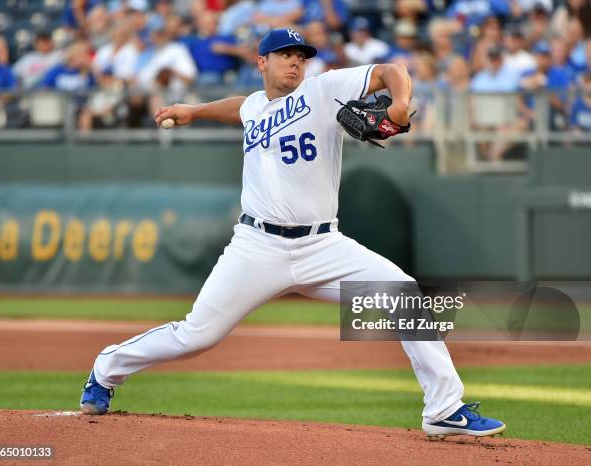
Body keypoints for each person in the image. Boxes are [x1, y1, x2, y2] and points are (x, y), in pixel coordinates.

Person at [80, 27, 506, 440]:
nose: (296, 63)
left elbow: (390, 69)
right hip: (257, 246)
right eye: (286, 55)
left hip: (322, 245)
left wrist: (399, 103)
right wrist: (194, 111)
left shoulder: (323, 90)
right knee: (197, 335)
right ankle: (106, 367)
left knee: (403, 293)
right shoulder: (254, 107)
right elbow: (242, 106)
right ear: (262, 61)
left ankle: (445, 409)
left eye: (301, 57)